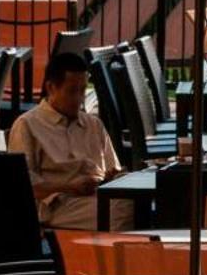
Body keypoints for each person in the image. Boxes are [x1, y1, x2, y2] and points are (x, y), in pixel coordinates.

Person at [7, 49, 122, 229]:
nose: (79, 99)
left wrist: (113, 177)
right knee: (124, 212)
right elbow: (22, 186)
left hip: (97, 197)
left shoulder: (94, 125)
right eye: (72, 91)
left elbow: (114, 169)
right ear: (51, 87)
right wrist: (68, 186)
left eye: (83, 90)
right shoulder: (28, 125)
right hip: (58, 205)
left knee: (143, 205)